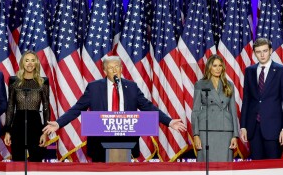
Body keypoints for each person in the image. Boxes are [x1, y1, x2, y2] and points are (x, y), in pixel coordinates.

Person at [42, 55, 186, 162]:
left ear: (121, 68)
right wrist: (58, 123)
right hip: (100, 142)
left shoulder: (132, 87)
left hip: (125, 141)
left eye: (117, 66)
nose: (114, 70)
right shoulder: (94, 88)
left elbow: (148, 107)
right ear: (104, 71)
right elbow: (77, 108)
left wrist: (169, 121)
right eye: (110, 68)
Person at [239, 37, 283, 159]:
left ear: (271, 50)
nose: (262, 55)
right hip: (253, 127)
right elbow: (246, 100)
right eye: (258, 52)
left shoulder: (281, 71)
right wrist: (243, 126)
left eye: (265, 51)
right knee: (256, 168)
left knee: (273, 169)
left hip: (274, 128)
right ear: (254, 53)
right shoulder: (249, 71)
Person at [4, 51, 51, 162]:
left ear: (36, 63)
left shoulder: (43, 82)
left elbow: (46, 107)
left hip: (35, 124)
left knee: (36, 161)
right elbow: (10, 106)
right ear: (22, 63)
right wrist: (7, 131)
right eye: (27, 60)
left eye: (32, 60)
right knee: (18, 161)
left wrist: (45, 133)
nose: (30, 63)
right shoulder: (14, 81)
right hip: (18, 124)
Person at [191, 55, 240, 162]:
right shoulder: (200, 84)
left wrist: (235, 135)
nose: (218, 69)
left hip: (225, 130)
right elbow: (195, 110)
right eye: (215, 66)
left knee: (224, 166)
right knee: (205, 166)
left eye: (220, 66)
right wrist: (196, 134)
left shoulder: (229, 85)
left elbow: (233, 111)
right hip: (206, 130)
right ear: (209, 67)